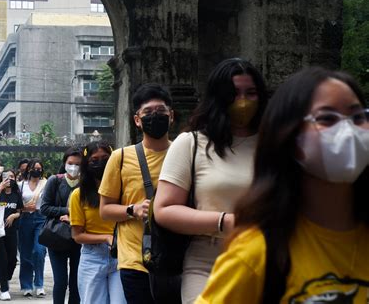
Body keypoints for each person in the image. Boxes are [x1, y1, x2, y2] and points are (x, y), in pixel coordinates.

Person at [195, 67, 369, 303]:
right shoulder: (257, 254)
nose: (348, 130)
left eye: (358, 117)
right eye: (327, 118)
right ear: (291, 138)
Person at [153, 58, 269, 303]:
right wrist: (226, 222)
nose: (244, 101)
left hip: (268, 263)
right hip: (207, 264)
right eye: (234, 93)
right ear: (218, 97)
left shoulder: (276, 144)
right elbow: (163, 209)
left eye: (251, 93)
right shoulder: (191, 143)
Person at [99, 83, 174, 304]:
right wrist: (132, 209)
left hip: (177, 259)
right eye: (148, 113)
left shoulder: (186, 152)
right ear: (137, 120)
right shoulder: (120, 158)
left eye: (161, 112)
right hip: (135, 261)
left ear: (171, 116)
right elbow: (105, 210)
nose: (155, 117)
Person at [70, 141, 126, 304]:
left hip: (122, 254)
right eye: (94, 159)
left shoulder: (124, 191)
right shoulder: (78, 195)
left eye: (105, 158)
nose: (100, 163)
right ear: (87, 164)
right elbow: (77, 235)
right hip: (92, 257)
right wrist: (106, 238)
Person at [40, 147, 82, 304]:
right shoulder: (55, 180)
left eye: (78, 164)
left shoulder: (87, 183)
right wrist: (68, 210)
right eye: (70, 163)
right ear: (65, 163)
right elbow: (44, 208)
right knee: (60, 281)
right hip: (56, 235)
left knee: (76, 283)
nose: (73, 167)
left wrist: (74, 216)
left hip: (79, 237)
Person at [0, 169, 24, 301]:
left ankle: (4, 278)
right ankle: (4, 289)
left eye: (11, 177)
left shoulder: (16, 194)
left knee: (12, 259)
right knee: (2, 259)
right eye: (6, 177)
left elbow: (20, 211)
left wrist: (14, 215)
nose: (9, 179)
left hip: (11, 231)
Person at [18, 159, 47, 297]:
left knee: (39, 251)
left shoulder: (46, 184)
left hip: (41, 219)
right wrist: (24, 208)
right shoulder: (21, 185)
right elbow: (16, 204)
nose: (37, 170)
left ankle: (39, 284)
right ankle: (26, 285)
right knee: (25, 254)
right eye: (34, 167)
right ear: (29, 169)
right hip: (25, 220)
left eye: (39, 168)